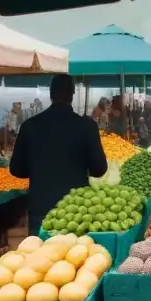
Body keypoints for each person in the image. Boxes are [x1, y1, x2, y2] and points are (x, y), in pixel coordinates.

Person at [10, 74, 108, 234]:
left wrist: (39, 167)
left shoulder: (30, 126)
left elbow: (16, 169)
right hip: (76, 211)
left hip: (41, 207)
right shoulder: (86, 127)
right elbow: (99, 169)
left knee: (41, 255)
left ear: (50, 94)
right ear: (72, 94)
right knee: (76, 257)